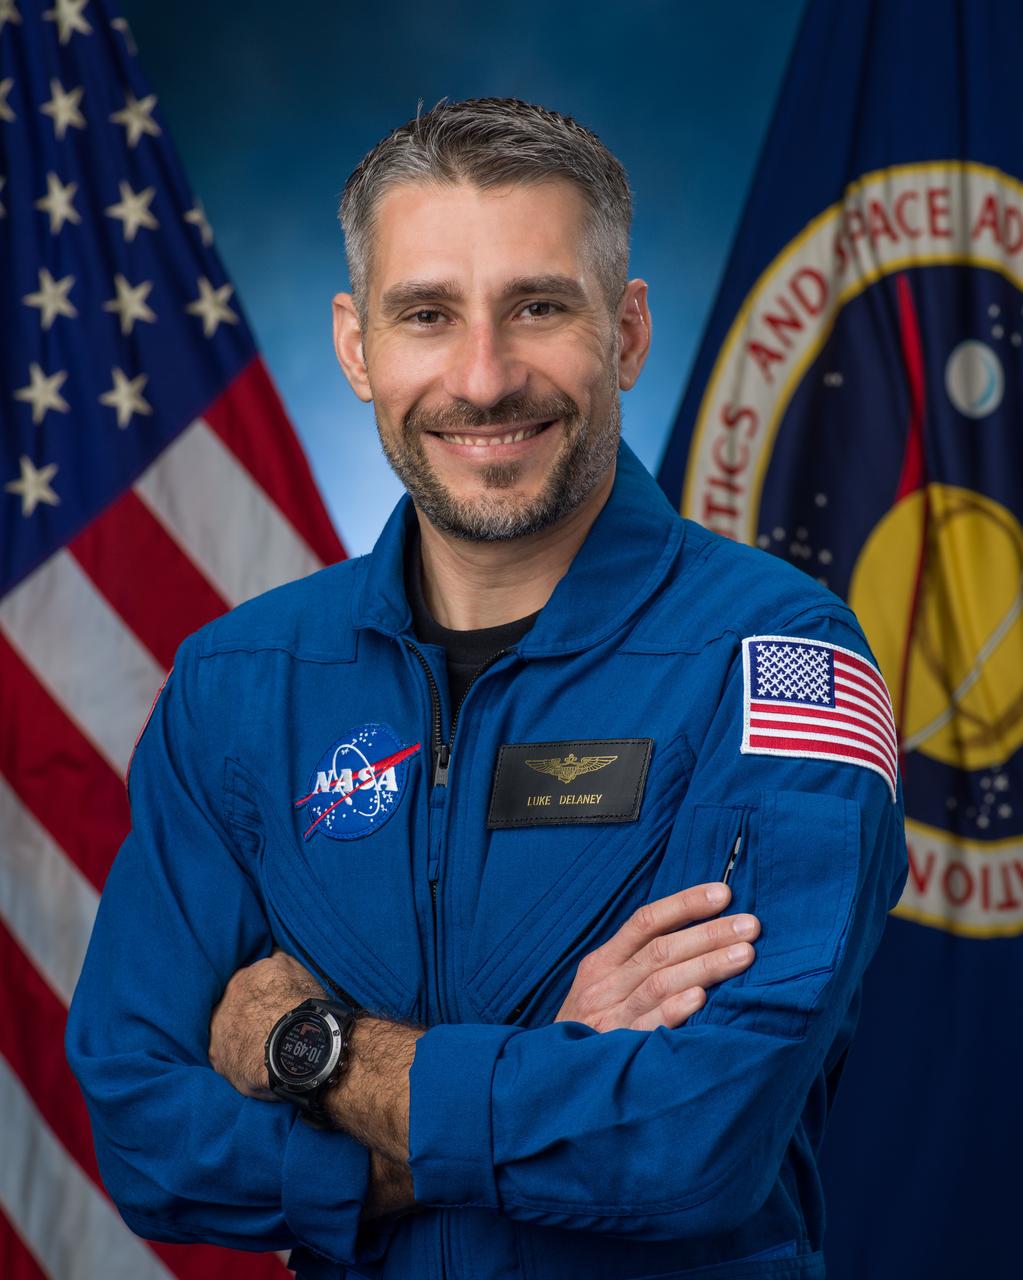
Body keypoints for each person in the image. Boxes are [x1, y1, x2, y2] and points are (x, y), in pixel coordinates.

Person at [67, 99, 907, 1279]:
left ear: (625, 332)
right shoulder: (238, 684)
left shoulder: (782, 663)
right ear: (359, 347)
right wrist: (554, 1064)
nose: (483, 376)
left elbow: (693, 1135)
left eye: (539, 307)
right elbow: (146, 1133)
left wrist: (318, 1050)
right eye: (428, 315)